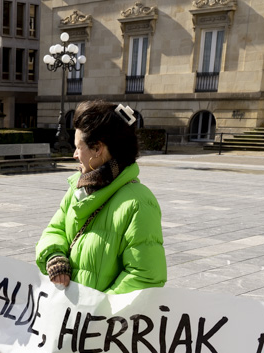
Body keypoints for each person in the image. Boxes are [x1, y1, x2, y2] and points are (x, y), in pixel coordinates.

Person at [35, 100, 166, 293]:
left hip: (100, 320)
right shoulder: (78, 188)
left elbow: (145, 276)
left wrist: (99, 311)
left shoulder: (139, 202)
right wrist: (54, 256)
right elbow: (55, 230)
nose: (74, 155)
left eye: (78, 147)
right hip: (70, 316)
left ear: (97, 149)